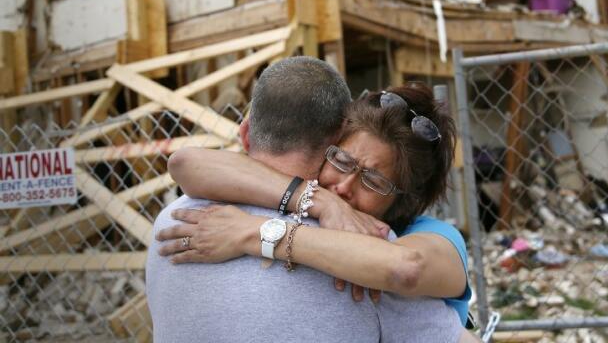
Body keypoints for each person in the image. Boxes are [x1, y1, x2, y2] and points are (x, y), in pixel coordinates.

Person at [146, 56, 472, 342]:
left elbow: (403, 267)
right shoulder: (327, 223)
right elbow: (183, 162)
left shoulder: (174, 218)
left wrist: (257, 232)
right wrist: (318, 201)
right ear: (330, 146)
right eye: (342, 161)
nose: (343, 187)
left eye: (374, 181)